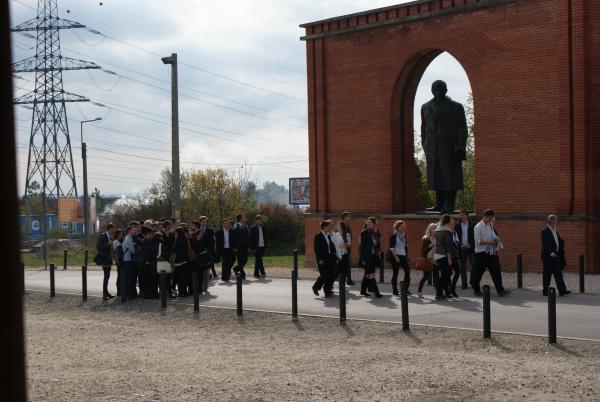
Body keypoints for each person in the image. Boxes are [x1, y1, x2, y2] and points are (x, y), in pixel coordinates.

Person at [420, 80, 469, 213]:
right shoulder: (425, 107)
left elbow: (462, 127)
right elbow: (424, 127)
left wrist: (460, 145)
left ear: (446, 90)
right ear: (431, 91)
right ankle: (439, 203)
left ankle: (449, 204)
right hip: (432, 148)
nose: (438, 92)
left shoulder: (456, 107)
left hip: (450, 148)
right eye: (435, 90)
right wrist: (425, 144)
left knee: (449, 176)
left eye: (441, 90)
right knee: (435, 175)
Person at [471, 209, 511, 297]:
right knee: (478, 273)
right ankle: (476, 290)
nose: (491, 220)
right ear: (486, 216)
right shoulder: (478, 227)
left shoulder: (490, 225)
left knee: (496, 271)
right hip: (481, 254)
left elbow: (493, 235)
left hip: (490, 252)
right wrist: (490, 242)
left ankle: (500, 290)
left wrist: (496, 240)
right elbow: (478, 242)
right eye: (490, 218)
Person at [541, 215, 571, 296]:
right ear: (551, 221)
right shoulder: (545, 231)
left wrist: (560, 249)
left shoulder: (555, 231)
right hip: (548, 257)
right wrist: (551, 253)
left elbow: (558, 241)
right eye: (556, 221)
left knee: (558, 274)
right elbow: (545, 244)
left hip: (556, 255)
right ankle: (545, 291)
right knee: (547, 274)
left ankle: (562, 290)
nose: (557, 222)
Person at [312, 220, 337, 298]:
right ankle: (315, 287)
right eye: (329, 226)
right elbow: (317, 249)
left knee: (331, 275)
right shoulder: (318, 236)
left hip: (330, 258)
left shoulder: (329, 236)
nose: (330, 228)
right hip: (322, 259)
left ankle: (327, 292)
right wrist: (320, 259)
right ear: (324, 227)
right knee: (324, 275)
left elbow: (332, 247)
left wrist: (335, 256)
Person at [359, 217, 383, 298]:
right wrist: (362, 259)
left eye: (370, 222)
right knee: (371, 274)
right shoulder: (364, 232)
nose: (368, 224)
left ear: (374, 224)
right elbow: (362, 247)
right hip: (367, 257)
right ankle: (377, 293)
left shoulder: (376, 232)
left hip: (374, 256)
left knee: (367, 274)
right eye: (368, 222)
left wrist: (379, 253)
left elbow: (378, 244)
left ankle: (363, 291)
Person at [433, 215, 454, 300]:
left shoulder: (438, 229)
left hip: (437, 253)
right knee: (446, 275)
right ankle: (438, 293)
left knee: (445, 274)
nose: (452, 222)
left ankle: (441, 293)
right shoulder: (447, 231)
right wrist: (449, 258)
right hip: (443, 254)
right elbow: (447, 246)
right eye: (451, 221)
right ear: (448, 221)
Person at [388, 220, 411, 296]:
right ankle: (395, 290)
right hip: (395, 256)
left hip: (403, 255)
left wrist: (407, 255)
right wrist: (396, 257)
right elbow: (391, 248)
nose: (403, 228)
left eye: (404, 227)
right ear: (397, 227)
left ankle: (405, 289)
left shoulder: (404, 235)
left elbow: (405, 246)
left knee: (407, 271)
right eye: (401, 227)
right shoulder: (394, 235)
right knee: (396, 273)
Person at [95, 223, 116, 301]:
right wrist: (108, 244)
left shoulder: (109, 236)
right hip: (104, 259)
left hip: (108, 259)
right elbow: (98, 247)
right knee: (106, 276)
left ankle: (106, 293)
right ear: (109, 228)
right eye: (113, 229)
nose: (113, 230)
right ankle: (104, 294)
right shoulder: (103, 235)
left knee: (107, 276)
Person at [455, 210, 475, 289]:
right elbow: (456, 238)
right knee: (462, 267)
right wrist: (460, 245)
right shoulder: (457, 226)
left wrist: (471, 245)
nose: (461, 216)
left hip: (471, 249)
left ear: (467, 216)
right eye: (460, 215)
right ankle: (464, 284)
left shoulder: (472, 225)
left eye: (463, 215)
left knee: (474, 265)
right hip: (462, 249)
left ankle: (472, 282)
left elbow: (475, 237)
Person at [417, 223, 437, 298]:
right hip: (428, 259)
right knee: (426, 276)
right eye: (433, 228)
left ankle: (438, 293)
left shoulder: (437, 237)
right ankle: (419, 291)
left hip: (436, 259)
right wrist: (430, 245)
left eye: (435, 228)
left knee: (436, 275)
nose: (435, 230)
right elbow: (423, 251)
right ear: (430, 230)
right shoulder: (426, 238)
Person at [140, 226, 160, 299]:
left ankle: (152, 294)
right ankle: (149, 294)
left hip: (150, 263)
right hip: (148, 263)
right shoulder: (145, 242)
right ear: (147, 233)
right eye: (151, 233)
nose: (152, 235)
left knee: (152, 279)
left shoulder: (149, 241)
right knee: (148, 280)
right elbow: (147, 253)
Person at [197, 216, 215, 292]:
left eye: (205, 221)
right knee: (200, 271)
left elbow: (212, 241)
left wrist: (210, 252)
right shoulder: (197, 230)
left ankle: (205, 287)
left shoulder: (210, 230)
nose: (204, 223)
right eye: (203, 221)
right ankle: (199, 287)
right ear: (200, 222)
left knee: (206, 271)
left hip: (207, 253)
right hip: (199, 253)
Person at [173, 227, 190, 298]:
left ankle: (181, 292)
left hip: (178, 261)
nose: (175, 234)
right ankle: (185, 292)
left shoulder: (177, 241)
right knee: (184, 277)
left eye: (175, 233)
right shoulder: (185, 239)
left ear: (178, 233)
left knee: (179, 278)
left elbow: (174, 250)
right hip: (185, 260)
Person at [232, 214, 249, 280]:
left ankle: (236, 268)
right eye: (244, 217)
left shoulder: (245, 226)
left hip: (245, 246)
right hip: (238, 247)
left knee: (245, 260)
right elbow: (234, 237)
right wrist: (235, 247)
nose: (245, 218)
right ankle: (242, 274)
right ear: (240, 219)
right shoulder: (236, 226)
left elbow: (247, 236)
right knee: (240, 260)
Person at [122, 225, 138, 299]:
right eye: (133, 230)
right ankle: (128, 294)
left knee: (130, 278)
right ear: (129, 231)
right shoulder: (128, 239)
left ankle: (130, 294)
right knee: (130, 278)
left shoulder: (130, 239)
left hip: (128, 260)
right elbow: (133, 251)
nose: (135, 231)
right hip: (128, 261)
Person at [340, 212, 355, 285]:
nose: (350, 218)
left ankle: (348, 279)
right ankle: (342, 279)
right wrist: (343, 244)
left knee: (348, 264)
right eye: (349, 216)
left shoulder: (348, 226)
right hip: (342, 248)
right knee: (342, 264)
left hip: (348, 248)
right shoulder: (340, 225)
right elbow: (338, 236)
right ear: (345, 217)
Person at [112, 229, 124, 297]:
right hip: (118, 260)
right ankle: (119, 291)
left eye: (122, 234)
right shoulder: (116, 242)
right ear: (116, 235)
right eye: (120, 234)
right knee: (119, 275)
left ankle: (121, 290)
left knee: (121, 275)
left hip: (121, 259)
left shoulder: (121, 241)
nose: (121, 236)